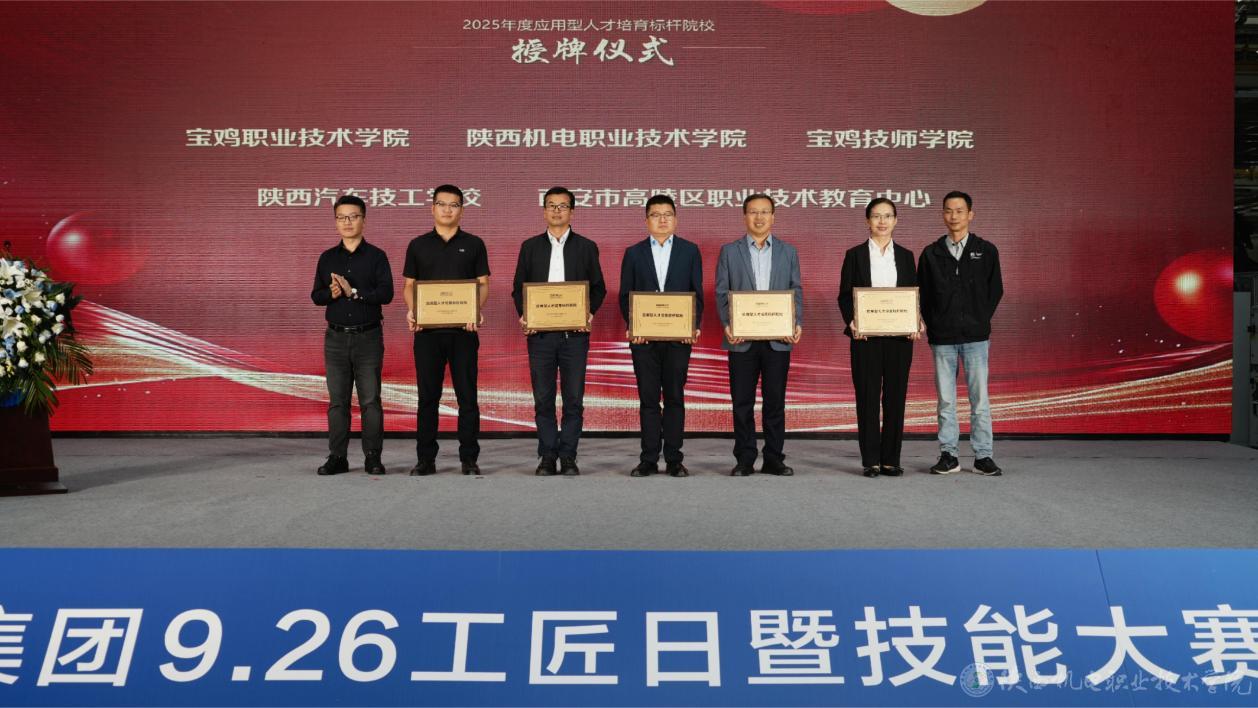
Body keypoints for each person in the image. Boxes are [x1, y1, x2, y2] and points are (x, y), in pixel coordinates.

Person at [510, 187, 607, 476]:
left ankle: (568, 456)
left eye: (562, 206)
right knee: (543, 399)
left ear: (572, 212)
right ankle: (547, 455)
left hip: (574, 336)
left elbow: (598, 288)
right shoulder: (530, 247)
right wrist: (525, 315)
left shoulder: (586, 247)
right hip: (540, 336)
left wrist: (588, 314)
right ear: (544, 211)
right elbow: (519, 289)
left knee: (573, 399)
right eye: (551, 205)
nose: (556, 211)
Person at [402, 185, 490, 476]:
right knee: (428, 398)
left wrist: (475, 310)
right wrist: (414, 310)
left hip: (464, 332)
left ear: (461, 210)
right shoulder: (418, 245)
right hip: (427, 334)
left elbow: (483, 284)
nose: (447, 209)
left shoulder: (474, 244)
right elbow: (409, 286)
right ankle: (425, 459)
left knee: (467, 397)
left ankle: (469, 458)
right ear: (432, 208)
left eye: (454, 205)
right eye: (442, 204)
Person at [714, 193, 803, 477]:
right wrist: (728, 325)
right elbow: (722, 292)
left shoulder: (788, 252)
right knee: (742, 402)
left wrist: (795, 323)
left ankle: (774, 458)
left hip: (778, 340)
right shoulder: (730, 251)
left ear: (773, 217)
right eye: (753, 211)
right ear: (745, 216)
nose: (759, 217)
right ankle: (745, 458)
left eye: (765, 212)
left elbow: (796, 291)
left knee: (775, 402)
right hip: (742, 340)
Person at [917, 191, 1004, 476]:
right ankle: (949, 455)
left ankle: (983, 456)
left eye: (959, 211)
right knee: (946, 401)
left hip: (976, 338)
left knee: (980, 401)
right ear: (942, 214)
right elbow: (923, 295)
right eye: (948, 210)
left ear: (970, 214)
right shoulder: (931, 253)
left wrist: (978, 319)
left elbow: (995, 290)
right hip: (942, 339)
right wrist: (936, 322)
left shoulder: (986, 250)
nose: (953, 216)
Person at [619, 194, 703, 478]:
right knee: (648, 400)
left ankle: (675, 459)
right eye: (656, 215)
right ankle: (648, 459)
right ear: (647, 221)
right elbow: (625, 295)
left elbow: (696, 293)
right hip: (644, 340)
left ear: (676, 219)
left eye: (667, 214)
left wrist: (693, 326)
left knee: (675, 398)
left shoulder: (690, 251)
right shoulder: (634, 253)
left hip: (679, 338)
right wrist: (634, 326)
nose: (662, 219)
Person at [838, 198, 922, 478]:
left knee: (896, 398)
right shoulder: (855, 255)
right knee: (868, 398)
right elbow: (844, 295)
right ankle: (871, 460)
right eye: (876, 216)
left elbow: (914, 294)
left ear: (896, 220)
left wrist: (915, 321)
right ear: (867, 221)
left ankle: (891, 460)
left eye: (888, 216)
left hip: (900, 339)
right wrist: (853, 322)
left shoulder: (907, 256)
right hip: (865, 339)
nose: (882, 221)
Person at [310, 195, 393, 476]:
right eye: (341, 217)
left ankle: (373, 457)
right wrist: (331, 293)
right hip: (335, 339)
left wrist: (354, 292)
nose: (347, 222)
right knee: (338, 402)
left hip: (368, 337)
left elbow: (386, 294)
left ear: (363, 220)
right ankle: (338, 457)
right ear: (336, 222)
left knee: (370, 401)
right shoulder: (327, 258)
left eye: (353, 216)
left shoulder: (377, 256)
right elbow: (316, 296)